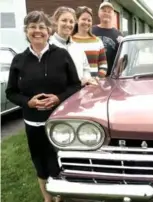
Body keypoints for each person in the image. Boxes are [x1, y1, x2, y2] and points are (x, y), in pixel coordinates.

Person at [5, 10, 81, 202]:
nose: (37, 31)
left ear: (49, 30)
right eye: (32, 27)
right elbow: (11, 92)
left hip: (60, 123)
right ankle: (47, 198)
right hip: (33, 123)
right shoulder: (19, 60)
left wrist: (58, 98)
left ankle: (61, 196)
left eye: (41, 27)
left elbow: (75, 85)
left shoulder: (62, 55)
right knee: (39, 162)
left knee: (59, 162)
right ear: (26, 31)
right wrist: (27, 102)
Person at [49, 6, 96, 86]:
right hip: (58, 96)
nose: (68, 24)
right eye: (64, 20)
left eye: (71, 22)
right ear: (56, 21)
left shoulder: (78, 47)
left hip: (79, 94)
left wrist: (87, 79)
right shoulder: (48, 46)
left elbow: (86, 69)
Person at [71, 6, 108, 78]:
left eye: (89, 20)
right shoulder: (69, 41)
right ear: (77, 20)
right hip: (75, 87)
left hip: (94, 86)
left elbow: (103, 65)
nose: (86, 22)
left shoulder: (97, 41)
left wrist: (97, 79)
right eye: (83, 19)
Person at [92, 2, 123, 76]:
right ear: (99, 13)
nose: (106, 13)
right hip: (92, 78)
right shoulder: (90, 31)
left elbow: (122, 59)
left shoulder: (119, 35)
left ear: (113, 15)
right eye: (104, 11)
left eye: (109, 12)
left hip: (110, 78)